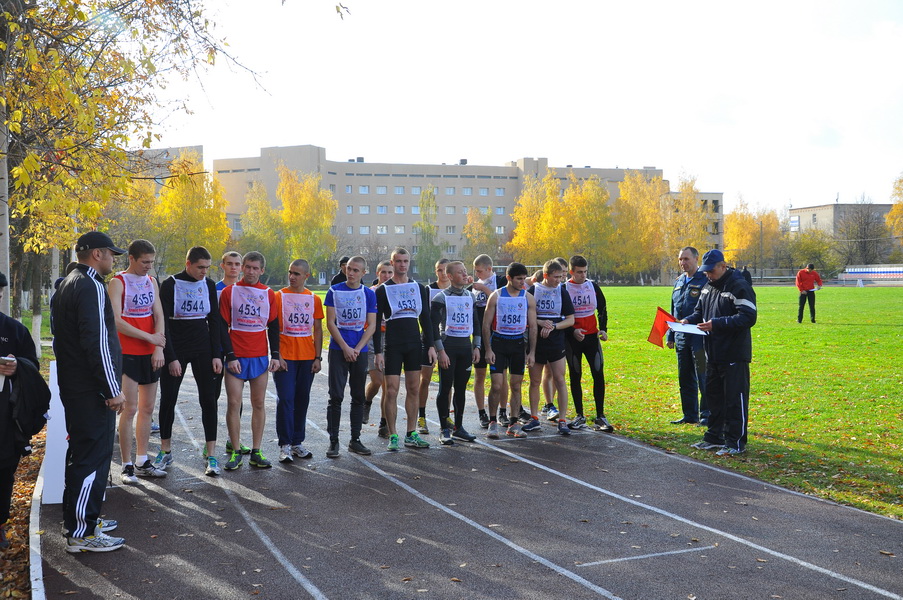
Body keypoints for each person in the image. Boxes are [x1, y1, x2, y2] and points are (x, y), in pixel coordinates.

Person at [53, 231, 127, 552]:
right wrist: (112, 388)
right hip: (90, 389)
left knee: (82, 453)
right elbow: (97, 342)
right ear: (97, 254)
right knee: (92, 457)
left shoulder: (66, 284)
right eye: (111, 253)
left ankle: (81, 518)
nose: (113, 259)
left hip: (75, 386)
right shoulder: (92, 285)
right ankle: (82, 532)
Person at [157, 247, 223, 476]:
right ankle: (165, 451)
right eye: (200, 267)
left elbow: (214, 320)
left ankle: (212, 455)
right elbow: (162, 322)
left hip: (203, 349)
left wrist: (217, 354)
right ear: (188, 264)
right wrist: (171, 357)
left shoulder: (209, 285)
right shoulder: (170, 284)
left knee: (209, 399)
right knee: (168, 399)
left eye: (207, 267)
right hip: (176, 348)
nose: (204, 271)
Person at [684, 249, 757, 456]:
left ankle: (736, 442)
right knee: (713, 397)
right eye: (706, 271)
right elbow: (700, 311)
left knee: (735, 400)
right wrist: (688, 320)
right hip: (712, 352)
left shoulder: (739, 285)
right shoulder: (708, 286)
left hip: (734, 354)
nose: (708, 275)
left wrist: (716, 324)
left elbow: (749, 317)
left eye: (712, 271)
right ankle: (714, 437)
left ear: (723, 266)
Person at [107, 239, 167, 484]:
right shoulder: (117, 282)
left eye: (151, 262)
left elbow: (159, 315)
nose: (148, 267)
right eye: (144, 262)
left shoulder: (151, 282)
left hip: (149, 353)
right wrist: (148, 337)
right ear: (131, 258)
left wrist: (157, 347)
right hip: (127, 353)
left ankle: (142, 460)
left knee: (147, 409)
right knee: (129, 408)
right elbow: (116, 321)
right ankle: (126, 465)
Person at [219, 251, 280, 470]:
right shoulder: (229, 292)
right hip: (236, 357)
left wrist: (276, 355)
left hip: (259, 356)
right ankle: (235, 451)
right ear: (242, 268)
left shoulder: (268, 294)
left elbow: (273, 326)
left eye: (256, 268)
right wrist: (230, 355)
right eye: (248, 267)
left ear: (262, 270)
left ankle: (256, 451)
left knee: (259, 403)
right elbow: (221, 327)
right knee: (234, 403)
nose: (251, 271)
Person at [373, 247, 436, 451]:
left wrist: (431, 345)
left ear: (410, 263)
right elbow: (374, 322)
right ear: (392, 263)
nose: (402, 265)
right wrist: (378, 351)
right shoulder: (383, 289)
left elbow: (426, 318)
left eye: (405, 261)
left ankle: (411, 433)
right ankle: (393, 434)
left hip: (413, 343)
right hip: (393, 344)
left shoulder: (419, 288)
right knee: (391, 391)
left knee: (413, 388)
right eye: (398, 261)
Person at [0, 272, 42, 550]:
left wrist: (18, 367)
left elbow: (33, 366)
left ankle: (0, 525)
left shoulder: (14, 330)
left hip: (5, 416)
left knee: (4, 469)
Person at [324, 256, 377, 457]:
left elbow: (371, 325)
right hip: (339, 350)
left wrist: (357, 348)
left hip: (360, 351)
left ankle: (355, 439)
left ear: (364, 272)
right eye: (349, 269)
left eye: (356, 270)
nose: (351, 273)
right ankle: (334, 441)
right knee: (335, 396)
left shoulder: (368, 295)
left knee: (358, 396)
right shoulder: (334, 291)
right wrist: (345, 347)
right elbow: (330, 323)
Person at [273, 259, 324, 463]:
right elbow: (273, 327)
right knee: (285, 399)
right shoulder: (279, 296)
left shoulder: (313, 298)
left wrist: (318, 357)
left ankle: (297, 443)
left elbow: (318, 329)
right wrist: (277, 354)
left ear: (306, 276)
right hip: (286, 358)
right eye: (290, 272)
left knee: (302, 399)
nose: (292, 276)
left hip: (307, 358)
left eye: (296, 273)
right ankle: (284, 444)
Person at [482, 262, 537, 440]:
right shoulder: (496, 296)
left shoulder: (527, 297)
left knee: (516, 385)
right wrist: (488, 349)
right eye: (519, 279)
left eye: (524, 278)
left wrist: (532, 352)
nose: (523, 282)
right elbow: (485, 325)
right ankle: (492, 422)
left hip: (518, 344)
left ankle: (513, 424)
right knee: (497, 385)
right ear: (509, 278)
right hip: (499, 342)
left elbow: (533, 327)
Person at [430, 261, 481, 444]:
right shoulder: (440, 298)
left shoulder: (470, 296)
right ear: (450, 276)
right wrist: (440, 351)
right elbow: (433, 327)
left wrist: (477, 346)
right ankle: (444, 428)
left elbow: (476, 323)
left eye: (465, 271)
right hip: (448, 346)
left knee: (461, 388)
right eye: (460, 272)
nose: (464, 274)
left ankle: (458, 427)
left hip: (465, 347)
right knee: (445, 387)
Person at [523, 260, 575, 437]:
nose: (559, 280)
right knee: (535, 381)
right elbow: (525, 315)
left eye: (561, 276)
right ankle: (535, 418)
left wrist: (553, 326)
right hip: (536, 342)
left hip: (556, 341)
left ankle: (562, 420)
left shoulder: (562, 291)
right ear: (545, 276)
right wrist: (539, 322)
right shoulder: (533, 290)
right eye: (555, 277)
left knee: (559, 379)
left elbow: (570, 319)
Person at [564, 255, 612, 432]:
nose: (583, 275)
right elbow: (560, 314)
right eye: (579, 272)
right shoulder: (565, 288)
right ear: (571, 272)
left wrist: (603, 328)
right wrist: (572, 331)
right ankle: (579, 415)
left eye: (585, 272)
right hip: (574, 338)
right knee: (575, 375)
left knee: (598, 374)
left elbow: (603, 307)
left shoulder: (592, 286)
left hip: (592, 337)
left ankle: (600, 416)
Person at [667, 247, 709, 426]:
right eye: (680, 259)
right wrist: (670, 334)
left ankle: (707, 415)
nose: (683, 263)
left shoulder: (705, 280)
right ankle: (689, 415)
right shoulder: (679, 281)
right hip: (681, 337)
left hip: (699, 337)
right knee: (685, 377)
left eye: (686, 259)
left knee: (703, 376)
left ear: (696, 259)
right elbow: (673, 310)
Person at [469, 254, 508, 428]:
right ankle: (481, 412)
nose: (477, 275)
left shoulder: (499, 281)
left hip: (498, 334)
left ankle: (502, 411)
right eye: (475, 271)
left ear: (489, 269)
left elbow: (504, 301)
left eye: (480, 271)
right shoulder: (474, 285)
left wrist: (485, 290)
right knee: (480, 375)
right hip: (479, 334)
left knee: (501, 376)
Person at [417, 258, 450, 434]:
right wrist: (430, 342)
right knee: (426, 380)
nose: (443, 273)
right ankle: (421, 417)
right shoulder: (428, 290)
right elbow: (424, 317)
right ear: (435, 271)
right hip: (428, 340)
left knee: (448, 382)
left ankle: (446, 415)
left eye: (445, 269)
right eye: (439, 270)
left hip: (448, 340)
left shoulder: (456, 290)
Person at [213, 251, 242, 444]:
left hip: (238, 348)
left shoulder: (245, 290)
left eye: (237, 264)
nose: (233, 267)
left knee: (236, 399)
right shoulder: (214, 289)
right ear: (222, 266)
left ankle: (234, 441)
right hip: (216, 350)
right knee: (212, 397)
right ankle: (211, 442)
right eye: (229, 263)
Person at [366, 260, 392, 430]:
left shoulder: (395, 291)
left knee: (388, 385)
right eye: (384, 272)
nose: (387, 276)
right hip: (372, 337)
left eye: (390, 272)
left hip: (391, 338)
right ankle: (366, 403)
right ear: (377, 274)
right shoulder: (370, 292)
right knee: (377, 381)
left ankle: (384, 422)